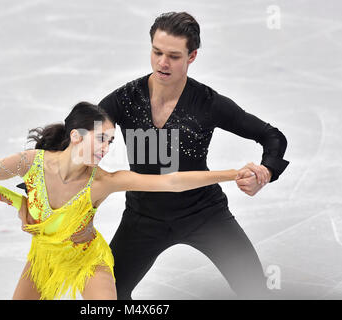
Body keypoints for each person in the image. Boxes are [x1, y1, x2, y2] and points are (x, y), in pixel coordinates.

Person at [0, 101, 248, 300]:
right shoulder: (31, 163)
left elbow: (171, 182)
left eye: (110, 141)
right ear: (76, 136)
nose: (107, 148)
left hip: (87, 260)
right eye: (101, 139)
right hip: (43, 257)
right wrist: (19, 203)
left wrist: (233, 174)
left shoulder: (102, 182)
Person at [95, 12, 290, 299]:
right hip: (143, 216)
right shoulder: (124, 99)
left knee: (255, 291)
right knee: (107, 296)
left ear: (192, 56)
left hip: (203, 213)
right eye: (157, 52)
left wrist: (266, 172)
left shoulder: (207, 103)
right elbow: (79, 142)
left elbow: (273, 136)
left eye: (174, 56)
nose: (163, 62)